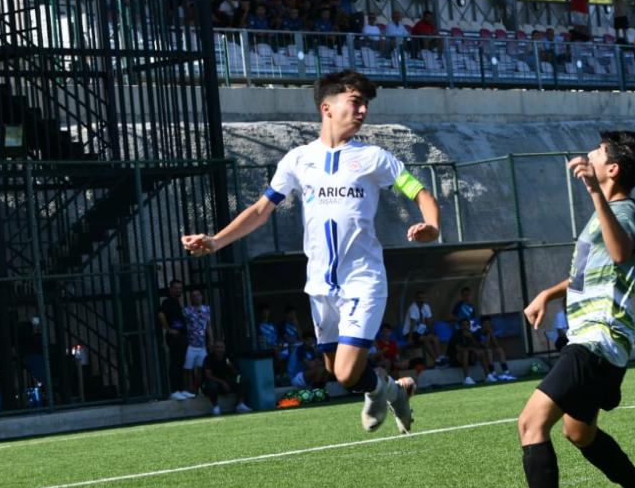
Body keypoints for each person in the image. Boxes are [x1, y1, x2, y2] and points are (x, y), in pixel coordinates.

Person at [182, 70, 441, 435]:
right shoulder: (298, 160)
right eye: (355, 101)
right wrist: (216, 240)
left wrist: (431, 226)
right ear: (327, 107)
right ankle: (393, 391)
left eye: (366, 103)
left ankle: (382, 390)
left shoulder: (375, 158)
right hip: (319, 284)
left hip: (363, 279)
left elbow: (420, 192)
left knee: (349, 372)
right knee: (338, 373)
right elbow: (260, 211)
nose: (363, 110)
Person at [518, 130, 635, 488]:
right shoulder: (605, 214)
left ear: (612, 169)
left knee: (531, 423)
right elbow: (588, 275)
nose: (589, 154)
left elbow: (620, 253)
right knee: (578, 433)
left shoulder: (625, 213)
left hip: (597, 338)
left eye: (600, 152)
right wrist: (548, 295)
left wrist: (594, 193)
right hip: (594, 338)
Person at [157, 279, 194, 400]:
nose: (178, 290)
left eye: (180, 288)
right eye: (176, 288)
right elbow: (161, 315)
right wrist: (168, 329)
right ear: (170, 289)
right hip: (174, 337)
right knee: (175, 362)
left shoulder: (176, 302)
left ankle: (182, 389)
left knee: (181, 362)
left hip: (181, 336)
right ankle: (174, 391)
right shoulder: (168, 302)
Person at [200, 340, 251, 416]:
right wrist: (222, 382)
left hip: (227, 381)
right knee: (212, 385)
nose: (219, 349)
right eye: (217, 347)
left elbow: (237, 373)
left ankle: (240, 404)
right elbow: (208, 376)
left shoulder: (227, 357)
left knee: (240, 378)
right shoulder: (209, 358)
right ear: (214, 349)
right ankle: (215, 407)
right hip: (215, 381)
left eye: (221, 347)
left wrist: (231, 367)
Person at [182, 287, 213, 396]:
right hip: (191, 344)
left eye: (198, 295)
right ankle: (187, 390)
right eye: (193, 296)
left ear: (202, 296)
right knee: (188, 369)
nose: (196, 298)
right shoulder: (187, 311)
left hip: (202, 345)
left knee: (201, 369)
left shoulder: (207, 309)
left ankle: (196, 390)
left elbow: (208, 326)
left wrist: (211, 340)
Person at [404, 290, 444, 367]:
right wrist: (410, 338)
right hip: (410, 332)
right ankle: (436, 360)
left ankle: (439, 357)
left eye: (422, 298)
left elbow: (429, 321)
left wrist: (432, 332)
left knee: (434, 337)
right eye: (419, 298)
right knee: (425, 339)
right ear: (416, 298)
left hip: (421, 331)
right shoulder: (413, 307)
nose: (421, 300)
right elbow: (413, 323)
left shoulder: (426, 307)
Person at [447, 317, 488, 386]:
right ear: (460, 326)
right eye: (463, 325)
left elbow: (479, 347)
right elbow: (458, 349)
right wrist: (472, 349)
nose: (465, 327)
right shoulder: (457, 334)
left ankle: (488, 375)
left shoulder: (472, 334)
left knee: (481, 352)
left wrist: (471, 338)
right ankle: (467, 378)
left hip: (470, 358)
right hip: (455, 359)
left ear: (469, 326)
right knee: (465, 352)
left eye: (467, 325)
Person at [479, 315, 516, 382]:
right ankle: (493, 373)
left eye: (489, 323)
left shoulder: (493, 330)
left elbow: (497, 345)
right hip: (483, 352)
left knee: (499, 350)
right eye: (486, 323)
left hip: (492, 348)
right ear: (482, 324)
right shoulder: (479, 333)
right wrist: (488, 334)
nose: (488, 325)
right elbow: (486, 346)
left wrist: (491, 333)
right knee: (489, 351)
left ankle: (506, 372)